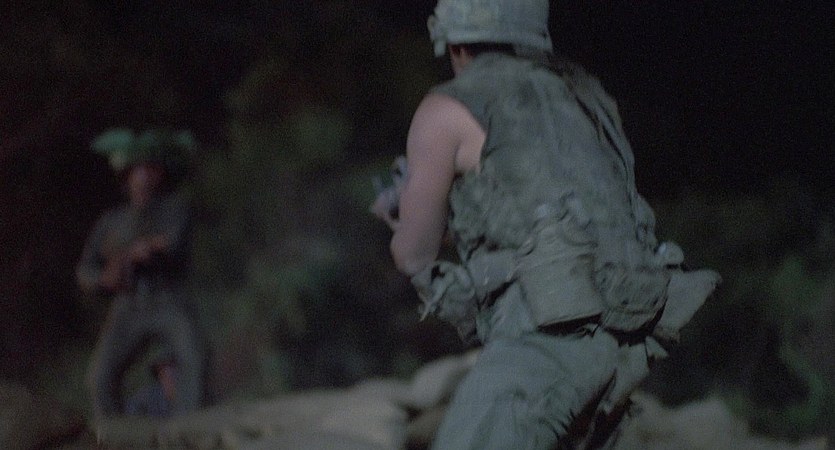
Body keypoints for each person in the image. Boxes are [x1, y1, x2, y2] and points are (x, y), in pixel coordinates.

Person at [371, 0, 720, 448]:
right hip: (627, 339)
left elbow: (413, 254)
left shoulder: (448, 108)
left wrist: (403, 216)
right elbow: (557, 213)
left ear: (454, 43)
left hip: (546, 344)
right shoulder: (586, 96)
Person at [77, 128, 205, 419]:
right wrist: (104, 277)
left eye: (151, 169)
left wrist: (147, 250)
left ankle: (192, 425)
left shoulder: (174, 208)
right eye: (138, 170)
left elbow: (172, 244)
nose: (144, 177)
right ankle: (116, 434)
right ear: (126, 175)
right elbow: (86, 270)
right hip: (129, 304)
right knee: (100, 378)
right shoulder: (112, 222)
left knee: (193, 358)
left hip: (166, 297)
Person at [124, 354, 177, 418]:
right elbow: (131, 407)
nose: (170, 376)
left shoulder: (181, 395)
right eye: (165, 373)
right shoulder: (149, 393)